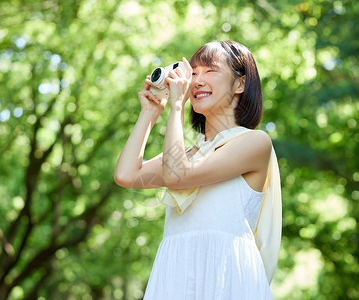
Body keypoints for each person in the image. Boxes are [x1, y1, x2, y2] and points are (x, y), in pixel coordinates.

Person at [114, 41, 281, 299]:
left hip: (227, 278)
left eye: (210, 71)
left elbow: (176, 176)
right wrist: (150, 113)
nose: (196, 81)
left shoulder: (255, 143)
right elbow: (126, 175)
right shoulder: (190, 154)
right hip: (176, 277)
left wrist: (177, 108)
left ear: (240, 84)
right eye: (192, 72)